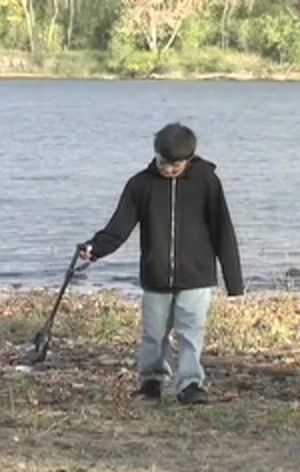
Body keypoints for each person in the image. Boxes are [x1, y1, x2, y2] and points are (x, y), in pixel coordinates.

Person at [80, 122, 244, 404]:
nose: (168, 169)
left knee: (191, 331)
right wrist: (95, 248)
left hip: (197, 274)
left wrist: (234, 281)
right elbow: (120, 225)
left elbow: (222, 229)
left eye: (175, 165)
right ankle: (152, 381)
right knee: (154, 333)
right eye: (163, 163)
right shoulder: (140, 184)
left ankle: (190, 385)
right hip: (155, 274)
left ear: (189, 159)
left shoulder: (207, 181)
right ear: (155, 155)